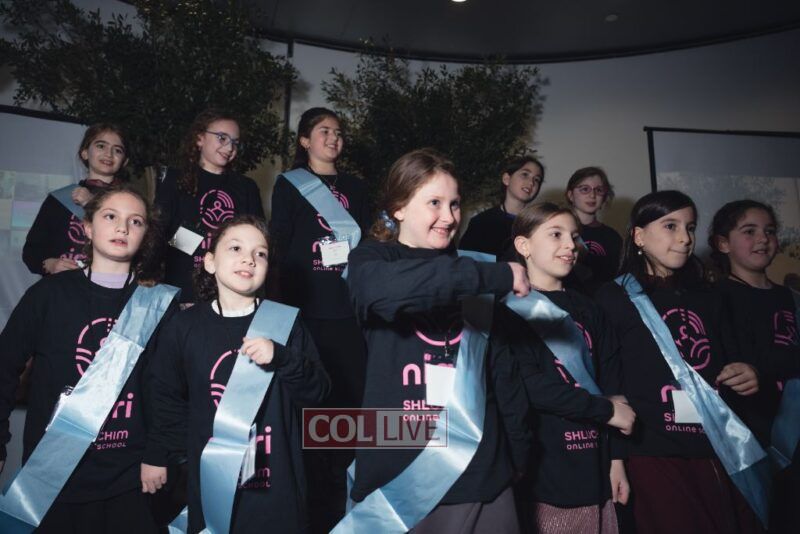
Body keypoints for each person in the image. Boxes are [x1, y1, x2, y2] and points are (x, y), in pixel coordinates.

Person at [343, 148, 532, 533]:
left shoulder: (473, 267)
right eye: (434, 203)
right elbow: (382, 293)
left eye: (455, 204)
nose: (449, 217)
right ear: (398, 208)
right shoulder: (372, 260)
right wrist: (494, 276)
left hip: (480, 473)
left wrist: (519, 454)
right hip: (401, 478)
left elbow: (502, 375)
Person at [0, 186, 175, 533]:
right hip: (53, 472)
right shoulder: (48, 295)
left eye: (135, 221)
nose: (122, 227)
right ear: (88, 228)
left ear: (145, 236)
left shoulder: (157, 304)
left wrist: (158, 453)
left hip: (131, 477)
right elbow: (4, 366)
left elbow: (167, 390)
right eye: (111, 216)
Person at [145, 215, 330, 533]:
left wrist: (282, 357)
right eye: (235, 248)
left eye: (261, 253)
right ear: (210, 262)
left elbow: (319, 393)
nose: (249, 258)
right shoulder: (183, 326)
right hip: (214, 483)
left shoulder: (286, 323)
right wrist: (158, 454)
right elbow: (164, 396)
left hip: (278, 489)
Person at [594, 190, 765, 534]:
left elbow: (731, 360)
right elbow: (607, 383)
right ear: (639, 236)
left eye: (690, 227)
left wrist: (748, 373)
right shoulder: (612, 297)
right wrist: (615, 458)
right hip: (650, 450)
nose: (685, 238)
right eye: (670, 226)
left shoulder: (710, 297)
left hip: (716, 445)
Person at [269, 107, 370, 532]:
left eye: (338, 132)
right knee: (312, 404)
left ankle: (347, 496)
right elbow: (279, 245)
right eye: (324, 131)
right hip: (306, 312)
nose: (333, 138)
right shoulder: (289, 184)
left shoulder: (357, 188)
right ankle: (314, 499)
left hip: (350, 314)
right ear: (305, 140)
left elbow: (369, 250)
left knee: (351, 404)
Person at [709, 200, 800, 533]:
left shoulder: (792, 298)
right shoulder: (714, 297)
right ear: (722, 243)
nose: (763, 239)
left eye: (770, 231)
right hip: (752, 442)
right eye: (749, 231)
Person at [156, 109, 265, 304]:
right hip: (183, 291)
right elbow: (158, 235)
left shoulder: (246, 187)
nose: (229, 147)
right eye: (222, 138)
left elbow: (258, 240)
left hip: (231, 294)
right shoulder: (175, 180)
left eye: (235, 142)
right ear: (199, 139)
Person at [23, 123, 129, 275]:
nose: (109, 154)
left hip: (110, 285)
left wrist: (92, 204)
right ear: (85, 153)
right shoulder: (60, 198)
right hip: (63, 284)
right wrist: (50, 264)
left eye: (117, 150)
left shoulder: (131, 202)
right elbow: (32, 251)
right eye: (101, 146)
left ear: (124, 161)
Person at [460, 156, 544, 259]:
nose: (531, 182)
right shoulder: (481, 222)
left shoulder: (539, 226)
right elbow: (465, 264)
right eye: (525, 174)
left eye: (537, 179)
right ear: (506, 179)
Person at [565, 167, 623, 294]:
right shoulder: (558, 231)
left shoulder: (612, 237)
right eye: (585, 189)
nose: (592, 195)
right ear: (570, 195)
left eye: (599, 190)